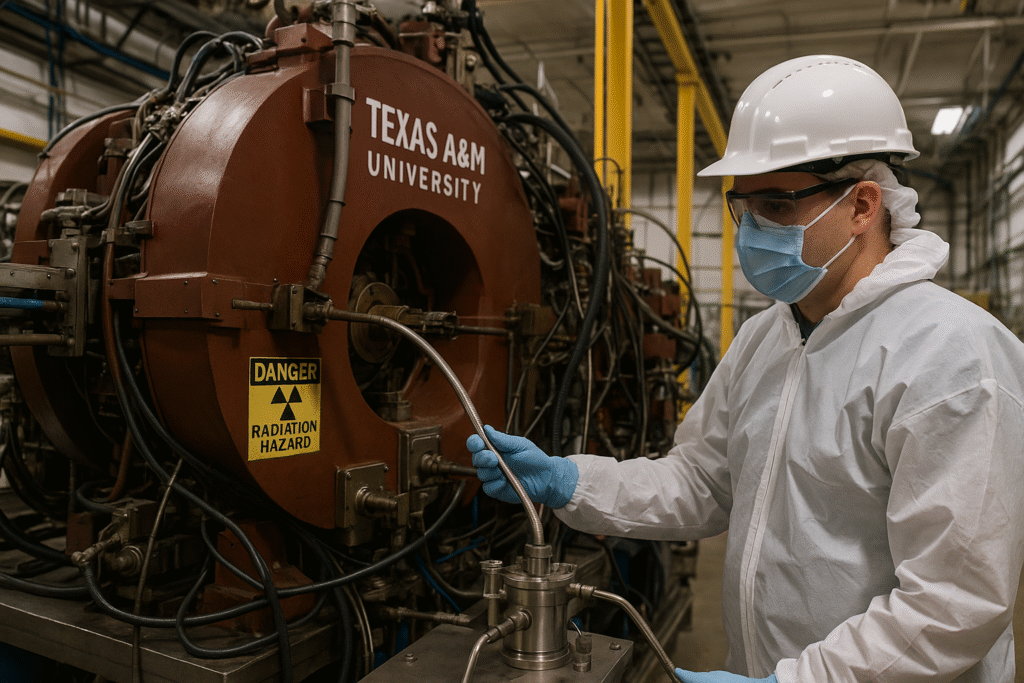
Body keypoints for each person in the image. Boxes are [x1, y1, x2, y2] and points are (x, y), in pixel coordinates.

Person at [467, 55, 1024, 683]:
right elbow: (703, 484)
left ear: (864, 204)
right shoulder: (766, 337)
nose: (754, 231)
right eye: (744, 208)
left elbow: (954, 603)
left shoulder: (952, 354)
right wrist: (573, 482)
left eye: (778, 206)